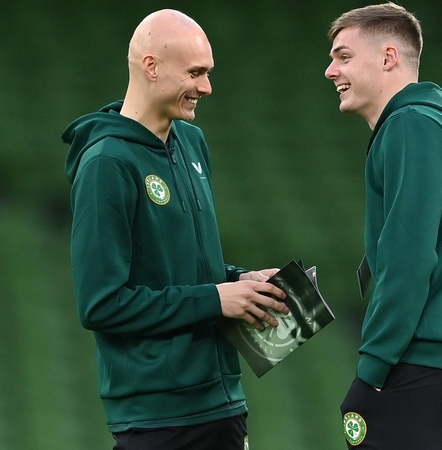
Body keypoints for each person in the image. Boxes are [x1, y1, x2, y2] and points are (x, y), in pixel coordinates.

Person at [62, 9, 289, 450]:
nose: (206, 87)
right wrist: (215, 298)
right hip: (158, 417)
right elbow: (100, 303)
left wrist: (237, 281)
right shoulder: (106, 163)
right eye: (195, 73)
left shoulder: (192, 142)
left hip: (222, 401)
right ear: (151, 67)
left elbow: (179, 268)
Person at [324, 3, 442, 449]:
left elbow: (409, 260)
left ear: (388, 58)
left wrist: (370, 372)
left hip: (427, 361)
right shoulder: (429, 124)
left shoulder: (411, 124)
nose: (331, 70)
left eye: (343, 56)